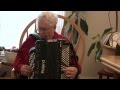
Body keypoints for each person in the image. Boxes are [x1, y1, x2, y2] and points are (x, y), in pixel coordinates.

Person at [13, 11, 81, 79]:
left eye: (45, 29)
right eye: (39, 28)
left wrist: (75, 70)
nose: (41, 32)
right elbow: (18, 57)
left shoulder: (64, 43)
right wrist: (21, 67)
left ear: (54, 27)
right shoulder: (31, 39)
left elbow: (75, 65)